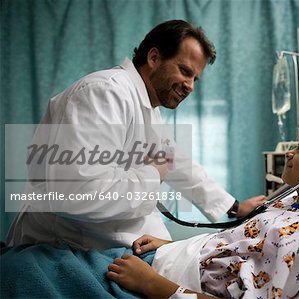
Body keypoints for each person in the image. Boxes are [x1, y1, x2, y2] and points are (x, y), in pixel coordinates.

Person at [6, 20, 264, 250]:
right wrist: (153, 174)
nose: (190, 87)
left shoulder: (145, 106)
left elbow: (178, 164)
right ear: (154, 58)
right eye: (185, 71)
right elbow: (80, 192)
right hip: (65, 242)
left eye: (195, 79)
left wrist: (234, 207)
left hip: (106, 241)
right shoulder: (104, 93)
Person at [106, 122, 299, 298]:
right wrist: (172, 245)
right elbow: (233, 249)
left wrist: (150, 284)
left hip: (161, 284)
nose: (289, 154)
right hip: (164, 260)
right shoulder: (290, 204)